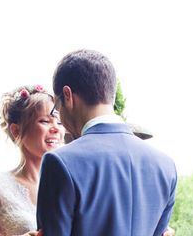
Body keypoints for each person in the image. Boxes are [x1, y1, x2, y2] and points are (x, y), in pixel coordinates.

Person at [36, 49, 178, 236]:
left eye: (56, 106)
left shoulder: (60, 162)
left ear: (67, 95)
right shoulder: (166, 166)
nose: (59, 116)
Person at [0, 84, 64, 236]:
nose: (56, 128)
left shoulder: (67, 184)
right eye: (45, 121)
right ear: (16, 130)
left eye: (59, 122)